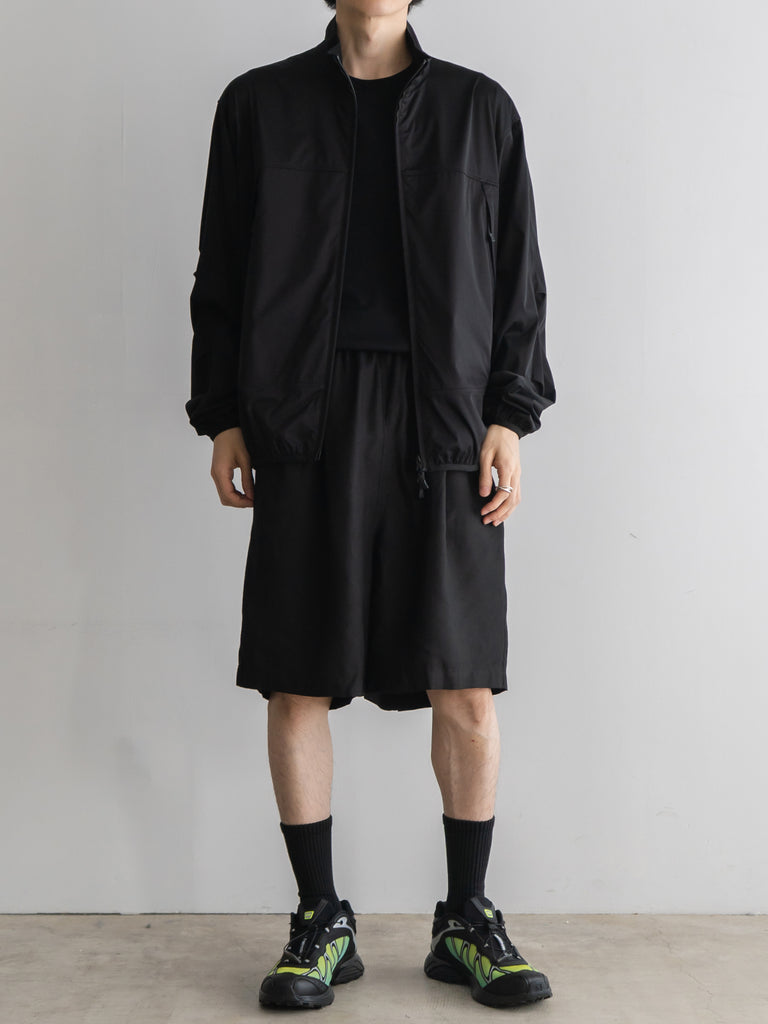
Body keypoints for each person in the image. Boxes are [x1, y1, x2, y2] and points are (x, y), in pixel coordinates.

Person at [185, 0, 556, 1011]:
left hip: (447, 422)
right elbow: (222, 267)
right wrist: (223, 415)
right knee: (297, 677)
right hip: (302, 417)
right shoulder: (259, 107)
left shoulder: (481, 111)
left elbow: (518, 274)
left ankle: (466, 917)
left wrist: (510, 414)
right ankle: (320, 919)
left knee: (465, 681)